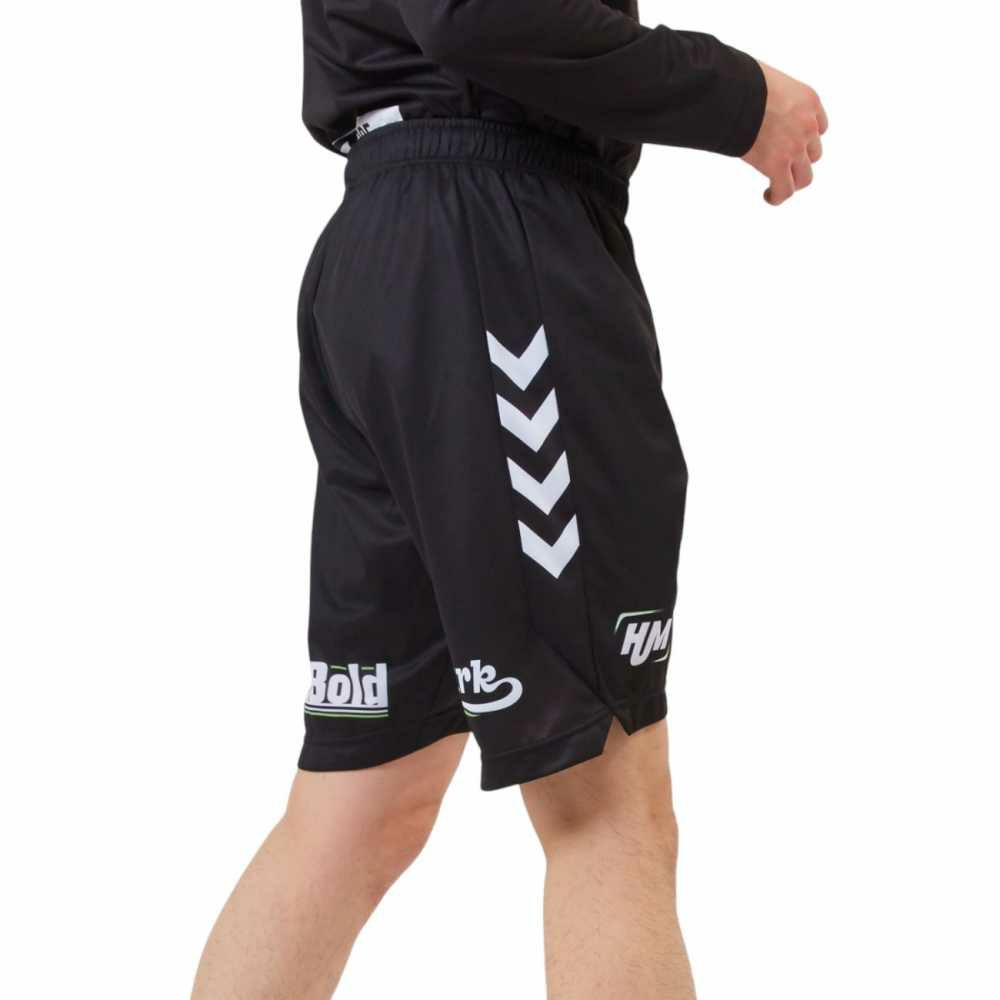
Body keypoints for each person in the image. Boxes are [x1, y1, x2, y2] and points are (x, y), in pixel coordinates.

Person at [192, 1, 827, 997]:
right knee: (605, 802)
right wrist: (738, 98)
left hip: (396, 237)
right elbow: (470, 13)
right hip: (493, 246)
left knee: (365, 806)